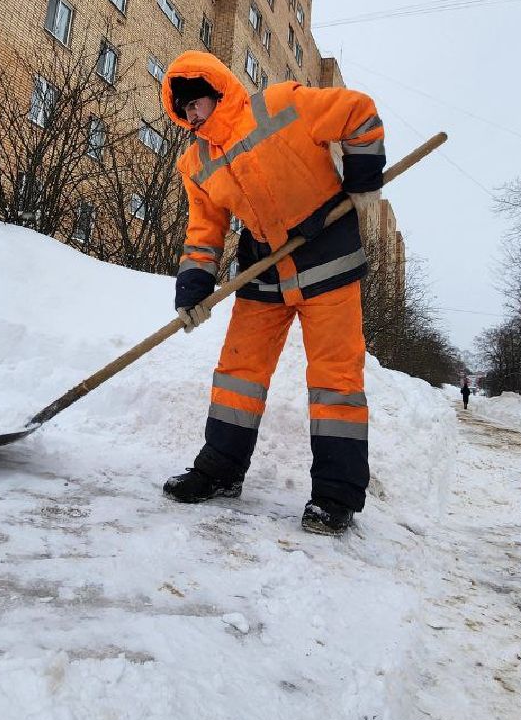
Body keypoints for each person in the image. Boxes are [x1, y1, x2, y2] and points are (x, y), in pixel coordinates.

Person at [160, 50, 386, 536]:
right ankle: (220, 470)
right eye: (184, 111)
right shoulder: (195, 161)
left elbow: (359, 111)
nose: (192, 116)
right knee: (238, 373)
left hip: (327, 255)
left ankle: (335, 496)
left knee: (335, 380)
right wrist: (195, 281)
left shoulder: (281, 104)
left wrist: (362, 180)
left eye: (197, 104)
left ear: (217, 91)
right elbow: (204, 230)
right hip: (263, 269)